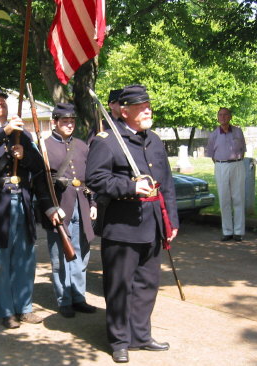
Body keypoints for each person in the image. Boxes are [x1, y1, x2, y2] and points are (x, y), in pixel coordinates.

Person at [86, 85, 179, 363]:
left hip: (152, 224)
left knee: (147, 284)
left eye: (148, 104)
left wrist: (171, 220)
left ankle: (141, 334)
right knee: (119, 286)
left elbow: (168, 184)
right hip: (123, 226)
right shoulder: (107, 141)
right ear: (124, 111)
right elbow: (96, 179)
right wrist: (129, 186)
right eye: (141, 106)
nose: (148, 109)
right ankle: (119, 340)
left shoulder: (154, 140)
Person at [0, 88, 58, 329]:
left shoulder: (22, 135)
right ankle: (6, 311)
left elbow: (39, 166)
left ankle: (25, 307)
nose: (1, 103)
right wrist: (3, 134)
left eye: (3, 100)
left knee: (25, 258)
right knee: (1, 261)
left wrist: (24, 155)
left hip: (22, 201)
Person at [42, 103, 97, 318]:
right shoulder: (44, 146)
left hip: (81, 205)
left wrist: (93, 204)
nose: (69, 125)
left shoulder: (82, 146)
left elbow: (91, 178)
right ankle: (64, 299)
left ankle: (79, 297)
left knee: (81, 255)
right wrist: (50, 207)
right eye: (64, 121)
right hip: (60, 207)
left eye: (72, 121)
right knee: (60, 258)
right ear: (55, 122)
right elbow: (40, 183)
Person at [206, 108, 246, 242]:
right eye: (220, 115)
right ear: (217, 118)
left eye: (226, 115)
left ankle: (239, 231)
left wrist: (235, 160)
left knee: (238, 197)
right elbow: (211, 154)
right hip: (221, 166)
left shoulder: (238, 131)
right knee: (224, 199)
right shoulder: (213, 135)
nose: (223, 117)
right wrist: (221, 163)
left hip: (237, 165)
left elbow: (243, 149)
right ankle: (227, 231)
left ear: (230, 117)